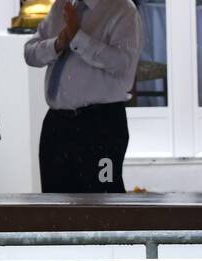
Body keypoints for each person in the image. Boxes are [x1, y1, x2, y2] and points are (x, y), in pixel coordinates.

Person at [24, 0, 142, 194]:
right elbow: (30, 53)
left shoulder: (122, 9)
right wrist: (57, 43)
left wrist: (78, 38)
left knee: (104, 201)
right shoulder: (61, 6)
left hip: (102, 126)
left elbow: (123, 63)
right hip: (57, 125)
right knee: (56, 205)